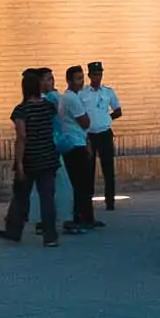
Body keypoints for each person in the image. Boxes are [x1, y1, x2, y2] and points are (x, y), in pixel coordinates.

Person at [0, 69, 63, 247]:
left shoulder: (21, 110)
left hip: (29, 159)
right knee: (47, 198)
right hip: (49, 157)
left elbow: (22, 137)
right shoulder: (48, 106)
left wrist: (18, 163)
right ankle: (50, 236)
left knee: (20, 196)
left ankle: (14, 230)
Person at [56, 65, 100, 233]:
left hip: (76, 141)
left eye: (82, 78)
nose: (81, 82)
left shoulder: (70, 97)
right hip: (75, 144)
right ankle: (79, 218)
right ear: (69, 80)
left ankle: (87, 217)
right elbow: (85, 122)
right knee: (80, 184)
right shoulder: (72, 99)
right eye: (77, 79)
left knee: (82, 182)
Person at [84, 60, 123, 211]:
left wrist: (107, 118)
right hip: (89, 135)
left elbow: (118, 110)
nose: (97, 77)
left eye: (99, 74)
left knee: (108, 168)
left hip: (105, 133)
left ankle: (110, 201)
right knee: (89, 169)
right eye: (94, 74)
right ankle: (88, 200)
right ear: (89, 75)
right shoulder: (83, 93)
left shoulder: (108, 92)